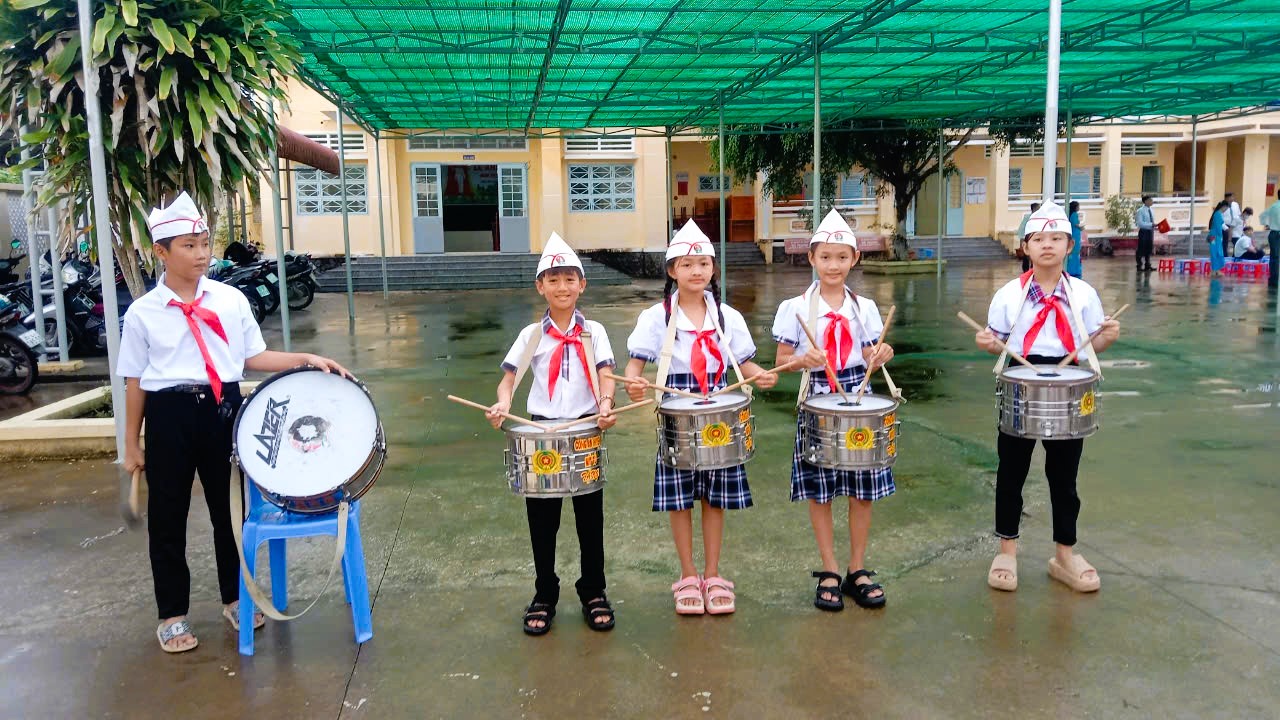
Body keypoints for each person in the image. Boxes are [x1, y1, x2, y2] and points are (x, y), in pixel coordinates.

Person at [118, 192, 349, 654]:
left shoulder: (229, 299)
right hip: (168, 416)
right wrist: (132, 442)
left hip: (223, 411)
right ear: (161, 252)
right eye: (189, 246)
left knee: (231, 513)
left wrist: (305, 358)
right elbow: (135, 381)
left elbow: (252, 356)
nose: (201, 254)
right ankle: (172, 615)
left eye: (204, 244)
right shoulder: (142, 313)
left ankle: (235, 598)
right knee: (168, 517)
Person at [623, 220, 778, 616]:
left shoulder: (728, 316)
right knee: (680, 499)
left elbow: (743, 364)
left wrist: (760, 375)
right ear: (672, 270)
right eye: (687, 264)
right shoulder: (655, 317)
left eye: (704, 264)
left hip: (719, 410)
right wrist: (634, 384)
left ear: (713, 268)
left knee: (714, 497)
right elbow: (634, 368)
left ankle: (713, 573)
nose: (697, 271)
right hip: (676, 408)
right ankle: (688, 574)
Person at [973, 202, 1120, 594]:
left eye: (1056, 238)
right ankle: (1007, 551)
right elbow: (998, 342)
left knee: (1065, 476)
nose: (1048, 245)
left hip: (1069, 380)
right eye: (1039, 239)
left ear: (1070, 246)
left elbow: (1091, 345)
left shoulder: (1084, 295)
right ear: (1025, 247)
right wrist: (987, 343)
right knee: (1011, 471)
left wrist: (1108, 338)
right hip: (1021, 379)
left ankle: (1065, 553)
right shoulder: (1009, 295)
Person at [488, 233, 618, 636]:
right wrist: (503, 404)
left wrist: (606, 404)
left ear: (582, 285)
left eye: (569, 279)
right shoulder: (531, 335)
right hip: (541, 433)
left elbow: (606, 374)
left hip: (585, 428)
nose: (562, 287)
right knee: (542, 520)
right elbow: (509, 380)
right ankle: (544, 593)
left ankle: (593, 590)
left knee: (590, 517)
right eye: (554, 279)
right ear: (540, 286)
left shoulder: (594, 331)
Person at [771, 210, 895, 612]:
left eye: (842, 257)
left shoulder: (866, 307)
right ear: (812, 258)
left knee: (862, 488)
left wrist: (881, 353)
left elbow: (869, 352)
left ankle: (857, 567)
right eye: (825, 257)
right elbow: (781, 360)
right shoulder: (795, 307)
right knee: (820, 489)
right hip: (817, 397)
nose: (833, 265)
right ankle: (829, 568)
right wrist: (802, 359)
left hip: (859, 397)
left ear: (854, 259)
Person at [1259, 188, 1280, 288]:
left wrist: (1268, 224)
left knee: (1274, 257)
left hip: (1274, 233)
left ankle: (1273, 279)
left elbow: (1262, 216)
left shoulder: (1273, 206)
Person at [1017, 202, 1041, 272]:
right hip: (1027, 239)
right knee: (1026, 256)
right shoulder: (1028, 217)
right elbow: (1021, 229)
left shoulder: (1039, 218)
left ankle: (1033, 269)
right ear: (1034, 209)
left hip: (1036, 239)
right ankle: (1026, 270)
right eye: (1038, 208)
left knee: (1035, 255)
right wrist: (1022, 240)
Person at [1135, 195, 1156, 272]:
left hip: (1150, 231)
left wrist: (1154, 225)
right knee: (1141, 248)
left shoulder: (1151, 210)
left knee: (1149, 248)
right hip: (1143, 231)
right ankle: (1139, 265)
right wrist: (1151, 224)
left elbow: (1152, 221)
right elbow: (1140, 223)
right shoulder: (1140, 211)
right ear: (1145, 201)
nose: (1152, 201)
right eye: (1150, 200)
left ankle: (1148, 265)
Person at [1208, 200, 1228, 277]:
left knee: (1216, 252)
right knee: (1216, 253)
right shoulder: (1218, 214)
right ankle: (1214, 270)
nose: (1225, 210)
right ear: (1224, 207)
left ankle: (1216, 270)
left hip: (1214, 236)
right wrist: (1220, 236)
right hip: (1215, 236)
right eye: (1226, 208)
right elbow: (1218, 227)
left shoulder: (1217, 214)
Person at [1066, 201, 1083, 278]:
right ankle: (1075, 270)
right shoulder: (1075, 214)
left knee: (1072, 253)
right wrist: (1081, 227)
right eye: (1078, 206)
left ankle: (1070, 269)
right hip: (1075, 235)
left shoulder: (1070, 215)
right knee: (1075, 252)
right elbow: (1076, 224)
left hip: (1073, 234)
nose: (1079, 207)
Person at [1222, 192, 1242, 259]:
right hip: (1226, 226)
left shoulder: (1235, 204)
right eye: (1230, 197)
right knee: (1225, 243)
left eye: (1233, 197)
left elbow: (1239, 214)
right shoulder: (1222, 205)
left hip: (1235, 226)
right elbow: (1220, 217)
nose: (1232, 199)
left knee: (1236, 242)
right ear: (1226, 198)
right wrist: (1225, 228)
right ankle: (1225, 258)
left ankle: (1235, 257)